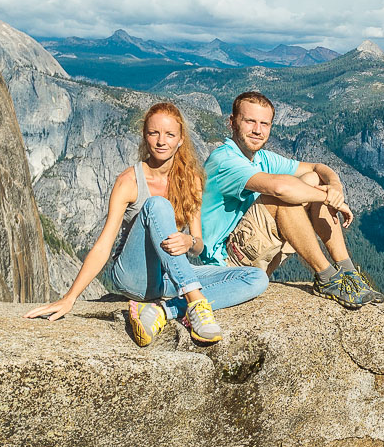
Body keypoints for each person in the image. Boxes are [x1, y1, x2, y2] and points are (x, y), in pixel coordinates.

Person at [25, 101, 268, 344]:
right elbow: (103, 246)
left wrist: (189, 241)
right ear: (145, 137)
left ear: (181, 139)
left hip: (170, 278)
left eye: (170, 134)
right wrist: (70, 297)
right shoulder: (129, 181)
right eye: (154, 133)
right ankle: (196, 305)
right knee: (157, 205)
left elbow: (199, 246)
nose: (162, 141)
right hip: (134, 276)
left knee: (257, 279)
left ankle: (164, 311)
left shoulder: (191, 179)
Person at [198, 91, 384, 309]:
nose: (258, 130)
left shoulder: (262, 158)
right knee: (281, 198)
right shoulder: (225, 160)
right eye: (250, 121)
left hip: (254, 253)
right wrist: (329, 199)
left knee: (313, 180)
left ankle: (349, 273)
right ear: (232, 122)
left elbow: (317, 168)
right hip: (229, 265)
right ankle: (327, 278)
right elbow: (280, 188)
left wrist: (335, 186)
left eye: (264, 124)